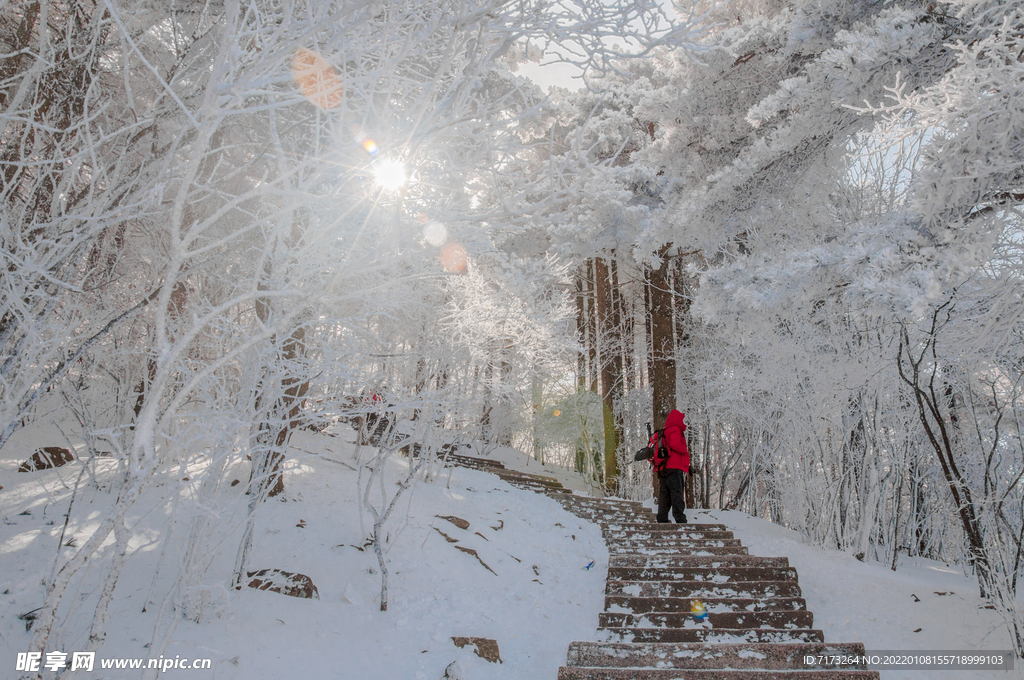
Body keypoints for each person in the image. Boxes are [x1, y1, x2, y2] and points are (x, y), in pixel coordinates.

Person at [652, 409, 690, 523]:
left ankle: (662, 518)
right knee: (676, 492)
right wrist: (685, 450)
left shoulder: (665, 431)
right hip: (674, 468)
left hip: (664, 468)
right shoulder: (675, 429)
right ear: (677, 420)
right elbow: (675, 444)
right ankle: (680, 518)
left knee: (664, 494)